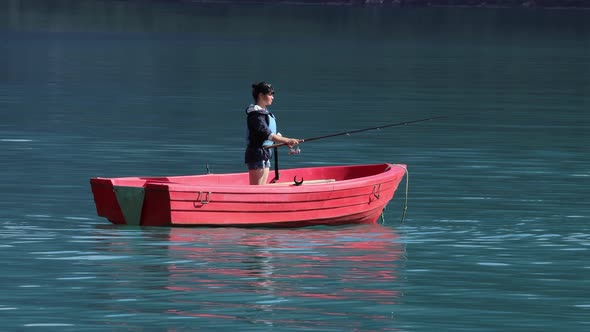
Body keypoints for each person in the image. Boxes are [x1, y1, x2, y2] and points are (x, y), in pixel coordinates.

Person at [245, 82, 301, 185]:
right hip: (257, 155)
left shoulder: (264, 114)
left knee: (261, 189)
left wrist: (284, 141)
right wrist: (287, 140)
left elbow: (270, 137)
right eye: (270, 94)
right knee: (257, 190)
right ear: (261, 95)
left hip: (264, 155)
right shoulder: (255, 116)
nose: (272, 97)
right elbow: (268, 135)